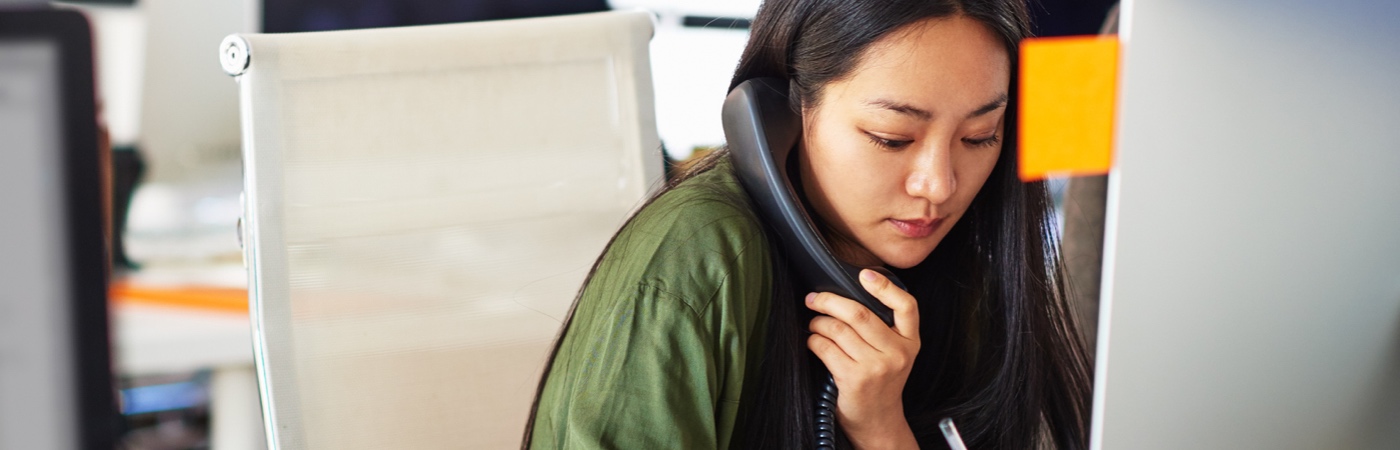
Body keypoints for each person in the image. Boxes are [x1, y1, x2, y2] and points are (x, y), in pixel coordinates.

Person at [523, 0, 1093, 448]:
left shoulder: (969, 270)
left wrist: (881, 430)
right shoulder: (697, 262)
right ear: (780, 116)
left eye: (979, 137)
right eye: (891, 138)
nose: (939, 185)